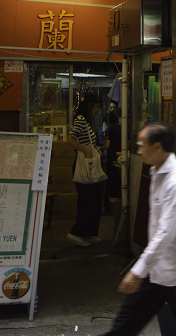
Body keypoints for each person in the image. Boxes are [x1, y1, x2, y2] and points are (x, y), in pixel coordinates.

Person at [102, 123, 176, 336]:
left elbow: (166, 233)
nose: (139, 150)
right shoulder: (156, 170)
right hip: (158, 266)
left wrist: (138, 270)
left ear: (157, 147)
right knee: (128, 319)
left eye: (143, 145)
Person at [66, 93, 104, 247]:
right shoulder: (81, 120)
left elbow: (84, 140)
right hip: (83, 166)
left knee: (93, 201)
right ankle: (77, 233)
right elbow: (70, 139)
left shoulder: (86, 121)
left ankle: (88, 233)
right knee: (87, 201)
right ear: (89, 105)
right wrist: (85, 150)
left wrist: (95, 148)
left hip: (89, 165)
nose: (97, 110)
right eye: (96, 107)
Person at [102, 112, 122, 216]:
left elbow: (107, 144)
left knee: (110, 181)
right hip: (119, 156)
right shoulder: (120, 128)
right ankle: (118, 203)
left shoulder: (110, 130)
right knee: (118, 180)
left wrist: (101, 148)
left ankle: (110, 206)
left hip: (111, 157)